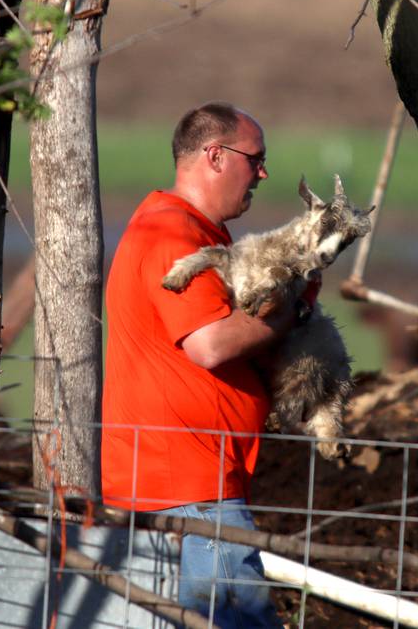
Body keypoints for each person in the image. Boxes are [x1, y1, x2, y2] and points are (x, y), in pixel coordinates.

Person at [102, 102, 309, 628]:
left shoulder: (198, 233)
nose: (263, 172)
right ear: (215, 156)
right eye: (255, 159)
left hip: (185, 483)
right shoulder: (174, 235)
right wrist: (292, 310)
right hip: (190, 491)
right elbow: (211, 344)